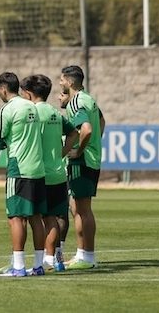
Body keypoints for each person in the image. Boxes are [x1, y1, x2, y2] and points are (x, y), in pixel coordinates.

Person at [0, 72, 47, 278]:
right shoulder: (31, 107)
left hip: (19, 170)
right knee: (36, 218)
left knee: (15, 218)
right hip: (38, 168)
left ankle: (18, 267)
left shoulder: (6, 109)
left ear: (3, 89)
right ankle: (38, 266)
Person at [21, 74, 74, 272]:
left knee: (34, 219)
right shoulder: (54, 112)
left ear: (27, 94)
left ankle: (39, 260)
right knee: (52, 218)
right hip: (58, 172)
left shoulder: (32, 113)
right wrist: (61, 153)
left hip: (39, 173)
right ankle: (53, 259)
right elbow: (73, 133)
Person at [60, 65, 103, 270]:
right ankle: (83, 254)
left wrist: (79, 151)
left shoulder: (76, 101)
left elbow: (86, 129)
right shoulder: (89, 98)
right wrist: (95, 144)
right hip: (92, 158)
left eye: (61, 80)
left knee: (81, 210)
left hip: (82, 161)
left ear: (69, 82)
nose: (60, 84)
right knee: (79, 208)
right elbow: (102, 121)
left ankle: (87, 257)